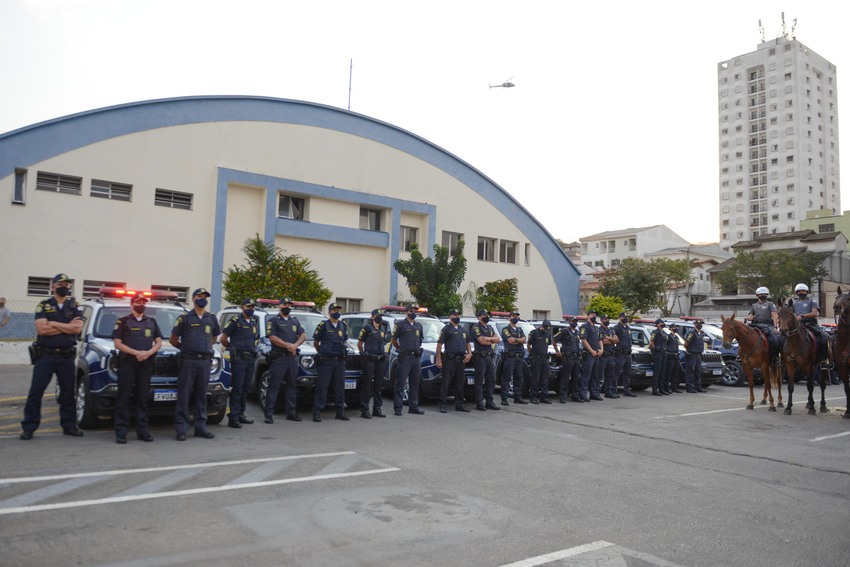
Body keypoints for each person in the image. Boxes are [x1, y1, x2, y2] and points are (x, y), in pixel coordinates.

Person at [20, 274, 84, 440]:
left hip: (66, 357)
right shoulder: (44, 305)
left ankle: (69, 426)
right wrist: (66, 327)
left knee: (68, 394)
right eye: (60, 284)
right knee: (36, 392)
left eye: (67, 284)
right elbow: (42, 330)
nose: (64, 286)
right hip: (46, 356)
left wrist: (53, 324)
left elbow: (77, 329)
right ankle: (29, 427)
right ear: (53, 287)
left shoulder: (74, 305)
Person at [170, 287, 221, 441]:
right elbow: (173, 339)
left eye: (205, 296)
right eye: (199, 296)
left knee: (201, 396)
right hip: (188, 361)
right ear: (193, 299)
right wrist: (186, 349)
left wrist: (203, 348)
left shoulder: (211, 318)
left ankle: (200, 427)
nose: (202, 298)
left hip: (204, 362)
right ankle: (181, 429)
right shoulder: (185, 317)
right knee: (184, 396)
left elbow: (214, 338)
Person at [112, 294, 162, 443]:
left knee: (143, 398)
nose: (141, 305)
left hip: (145, 364)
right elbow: (117, 343)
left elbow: (158, 342)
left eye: (143, 302)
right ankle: (121, 432)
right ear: (132, 304)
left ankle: (143, 431)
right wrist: (136, 353)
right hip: (128, 363)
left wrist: (147, 353)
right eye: (138, 302)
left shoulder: (151, 322)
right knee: (124, 398)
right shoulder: (123, 321)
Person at [265, 297, 307, 423]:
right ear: (279, 306)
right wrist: (287, 345)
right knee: (274, 386)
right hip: (279, 358)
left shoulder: (294, 321)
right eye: (285, 304)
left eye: (289, 304)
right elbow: (272, 337)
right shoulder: (273, 321)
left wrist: (295, 345)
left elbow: (303, 335)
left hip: (292, 358)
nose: (287, 306)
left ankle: (291, 412)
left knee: (292, 386)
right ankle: (268, 413)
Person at [220, 299, 259, 428]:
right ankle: (233, 417)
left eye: (253, 307)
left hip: (250, 359)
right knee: (237, 387)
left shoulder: (253, 322)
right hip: (239, 359)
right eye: (248, 306)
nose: (251, 309)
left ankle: (241, 414)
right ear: (242, 307)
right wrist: (231, 347)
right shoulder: (235, 321)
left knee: (246, 387)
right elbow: (223, 338)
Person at [312, 302, 350, 422]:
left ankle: (340, 412)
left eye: (338, 310)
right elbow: (316, 343)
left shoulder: (343, 325)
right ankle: (317, 412)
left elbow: (344, 341)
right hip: (326, 361)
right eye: (334, 310)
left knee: (340, 387)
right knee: (322, 387)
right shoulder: (323, 325)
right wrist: (324, 352)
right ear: (329, 312)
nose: (337, 312)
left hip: (339, 361)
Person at [391, 304, 425, 416]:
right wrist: (400, 349)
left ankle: (413, 406)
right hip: (405, 357)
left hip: (416, 357)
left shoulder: (419, 325)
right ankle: (398, 408)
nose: (413, 313)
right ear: (406, 312)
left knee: (414, 383)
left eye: (415, 311)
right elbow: (394, 340)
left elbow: (420, 340)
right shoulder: (400, 324)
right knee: (400, 383)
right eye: (411, 311)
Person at [436, 309, 472, 413]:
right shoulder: (446, 329)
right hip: (449, 360)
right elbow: (439, 344)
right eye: (455, 315)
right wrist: (439, 360)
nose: (457, 316)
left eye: (458, 315)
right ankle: (442, 404)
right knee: (446, 383)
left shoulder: (463, 330)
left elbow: (468, 343)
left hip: (461, 360)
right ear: (450, 317)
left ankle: (459, 404)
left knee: (460, 383)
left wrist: (469, 353)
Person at [357, 308, 389, 419]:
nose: (379, 317)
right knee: (367, 385)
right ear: (372, 317)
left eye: (381, 315)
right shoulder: (367, 328)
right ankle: (365, 409)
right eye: (377, 315)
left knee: (378, 385)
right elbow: (360, 344)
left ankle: (377, 408)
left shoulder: (383, 328)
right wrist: (363, 354)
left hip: (380, 359)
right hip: (369, 359)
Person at [471, 309, 501, 411]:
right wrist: (491, 340)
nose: (486, 316)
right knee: (479, 380)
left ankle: (489, 401)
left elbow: (498, 339)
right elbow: (481, 341)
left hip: (489, 356)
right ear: (479, 317)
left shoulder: (489, 327)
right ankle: (479, 402)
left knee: (491, 379)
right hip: (480, 357)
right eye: (484, 315)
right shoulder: (476, 327)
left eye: (487, 315)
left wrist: (488, 339)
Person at [792, 283, 828, 363]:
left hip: (811, 324)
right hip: (798, 326)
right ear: (796, 293)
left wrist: (802, 316)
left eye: (803, 291)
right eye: (799, 291)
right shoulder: (794, 304)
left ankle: (823, 359)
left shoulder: (812, 301)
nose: (801, 293)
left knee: (824, 337)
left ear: (807, 292)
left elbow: (814, 313)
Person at [500, 310, 528, 405]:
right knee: (507, 378)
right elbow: (510, 340)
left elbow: (524, 340)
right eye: (513, 316)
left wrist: (516, 340)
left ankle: (517, 397)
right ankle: (504, 398)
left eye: (517, 316)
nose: (515, 318)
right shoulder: (506, 329)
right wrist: (518, 340)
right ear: (509, 318)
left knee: (518, 377)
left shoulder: (519, 329)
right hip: (510, 357)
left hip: (519, 356)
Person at [554, 316, 581, 403]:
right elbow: (554, 339)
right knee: (565, 378)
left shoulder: (577, 332)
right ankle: (563, 396)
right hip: (568, 357)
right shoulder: (564, 331)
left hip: (576, 357)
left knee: (576, 378)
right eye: (573, 321)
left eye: (576, 321)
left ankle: (575, 395)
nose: (574, 322)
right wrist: (557, 351)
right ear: (569, 322)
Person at [578, 309, 603, 402]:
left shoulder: (597, 328)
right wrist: (591, 351)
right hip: (589, 354)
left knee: (595, 375)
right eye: (592, 315)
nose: (594, 316)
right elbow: (583, 340)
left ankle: (594, 393)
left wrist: (601, 349)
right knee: (586, 375)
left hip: (597, 353)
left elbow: (600, 340)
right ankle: (582, 394)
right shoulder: (585, 326)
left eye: (595, 315)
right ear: (588, 316)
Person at [747, 286, 779, 357]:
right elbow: (751, 316)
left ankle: (774, 355)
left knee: (775, 338)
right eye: (761, 294)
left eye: (765, 294)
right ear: (757, 295)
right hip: (756, 325)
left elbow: (774, 315)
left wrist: (775, 327)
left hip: (768, 325)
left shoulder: (770, 304)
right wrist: (748, 318)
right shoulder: (754, 305)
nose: (763, 295)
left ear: (767, 295)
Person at [527, 320, 553, 404]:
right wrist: (532, 354)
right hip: (536, 358)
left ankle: (544, 396)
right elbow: (529, 344)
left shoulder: (547, 333)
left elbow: (548, 343)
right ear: (542, 326)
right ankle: (533, 396)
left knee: (545, 379)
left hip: (545, 359)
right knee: (536, 379)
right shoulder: (534, 333)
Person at [612, 312, 637, 397]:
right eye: (623, 317)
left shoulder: (628, 328)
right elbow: (614, 339)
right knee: (617, 373)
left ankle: (627, 390)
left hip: (628, 353)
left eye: (626, 317)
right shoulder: (616, 328)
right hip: (620, 353)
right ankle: (613, 390)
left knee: (627, 373)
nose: (625, 318)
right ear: (619, 318)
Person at [598, 314, 620, 399]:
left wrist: (608, 338)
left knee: (610, 375)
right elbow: (603, 341)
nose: (607, 320)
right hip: (603, 355)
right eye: (605, 319)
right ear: (601, 320)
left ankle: (608, 392)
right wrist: (611, 340)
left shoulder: (611, 329)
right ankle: (596, 392)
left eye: (607, 319)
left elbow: (617, 340)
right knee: (599, 375)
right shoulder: (599, 329)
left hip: (610, 355)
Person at [683, 319, 707, 393]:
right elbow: (686, 344)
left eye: (701, 324)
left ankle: (698, 387)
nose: (700, 325)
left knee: (698, 371)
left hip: (698, 355)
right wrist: (690, 350)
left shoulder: (701, 333)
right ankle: (689, 387)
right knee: (690, 371)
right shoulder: (692, 333)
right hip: (692, 355)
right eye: (698, 324)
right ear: (695, 325)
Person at [649, 319, 669, 396]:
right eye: (661, 323)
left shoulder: (664, 332)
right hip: (658, 353)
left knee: (663, 372)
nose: (663, 324)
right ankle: (655, 390)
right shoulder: (655, 332)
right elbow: (651, 343)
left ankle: (661, 389)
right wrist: (654, 351)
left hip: (664, 353)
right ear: (657, 324)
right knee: (657, 372)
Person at [665, 323, 684, 393]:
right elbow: (666, 345)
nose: (676, 328)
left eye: (676, 327)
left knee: (675, 373)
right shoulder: (668, 336)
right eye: (674, 327)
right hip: (670, 356)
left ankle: (674, 387)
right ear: (670, 328)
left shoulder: (676, 337)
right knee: (668, 373)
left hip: (676, 356)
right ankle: (666, 388)